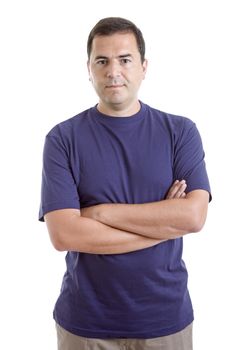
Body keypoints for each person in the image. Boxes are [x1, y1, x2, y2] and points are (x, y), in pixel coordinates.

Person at [39, 17, 211, 350]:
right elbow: (64, 235)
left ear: (144, 67)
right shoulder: (62, 139)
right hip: (85, 324)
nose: (112, 70)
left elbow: (193, 218)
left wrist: (99, 214)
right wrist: (163, 223)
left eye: (125, 59)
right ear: (88, 69)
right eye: (101, 61)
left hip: (165, 321)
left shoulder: (180, 132)